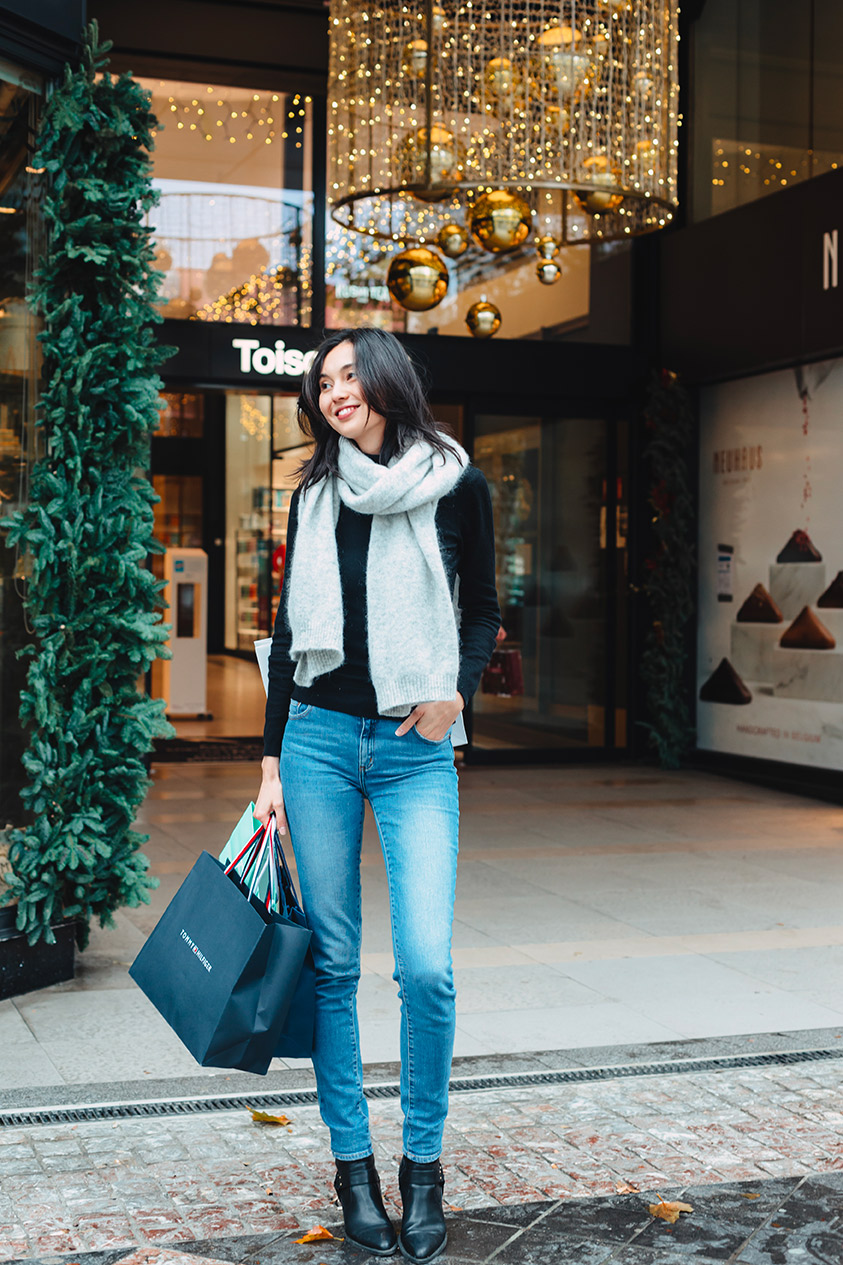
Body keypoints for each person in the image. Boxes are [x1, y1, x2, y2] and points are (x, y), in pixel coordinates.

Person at [255, 326, 499, 1264]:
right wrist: (271, 758)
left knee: (427, 967)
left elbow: (480, 608)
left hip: (411, 747)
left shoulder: (455, 484)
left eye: (351, 373)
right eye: (324, 380)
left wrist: (455, 696)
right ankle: (353, 1168)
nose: (335, 390)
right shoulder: (313, 493)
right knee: (333, 967)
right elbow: (285, 626)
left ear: (389, 380)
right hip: (316, 740)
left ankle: (423, 1167)